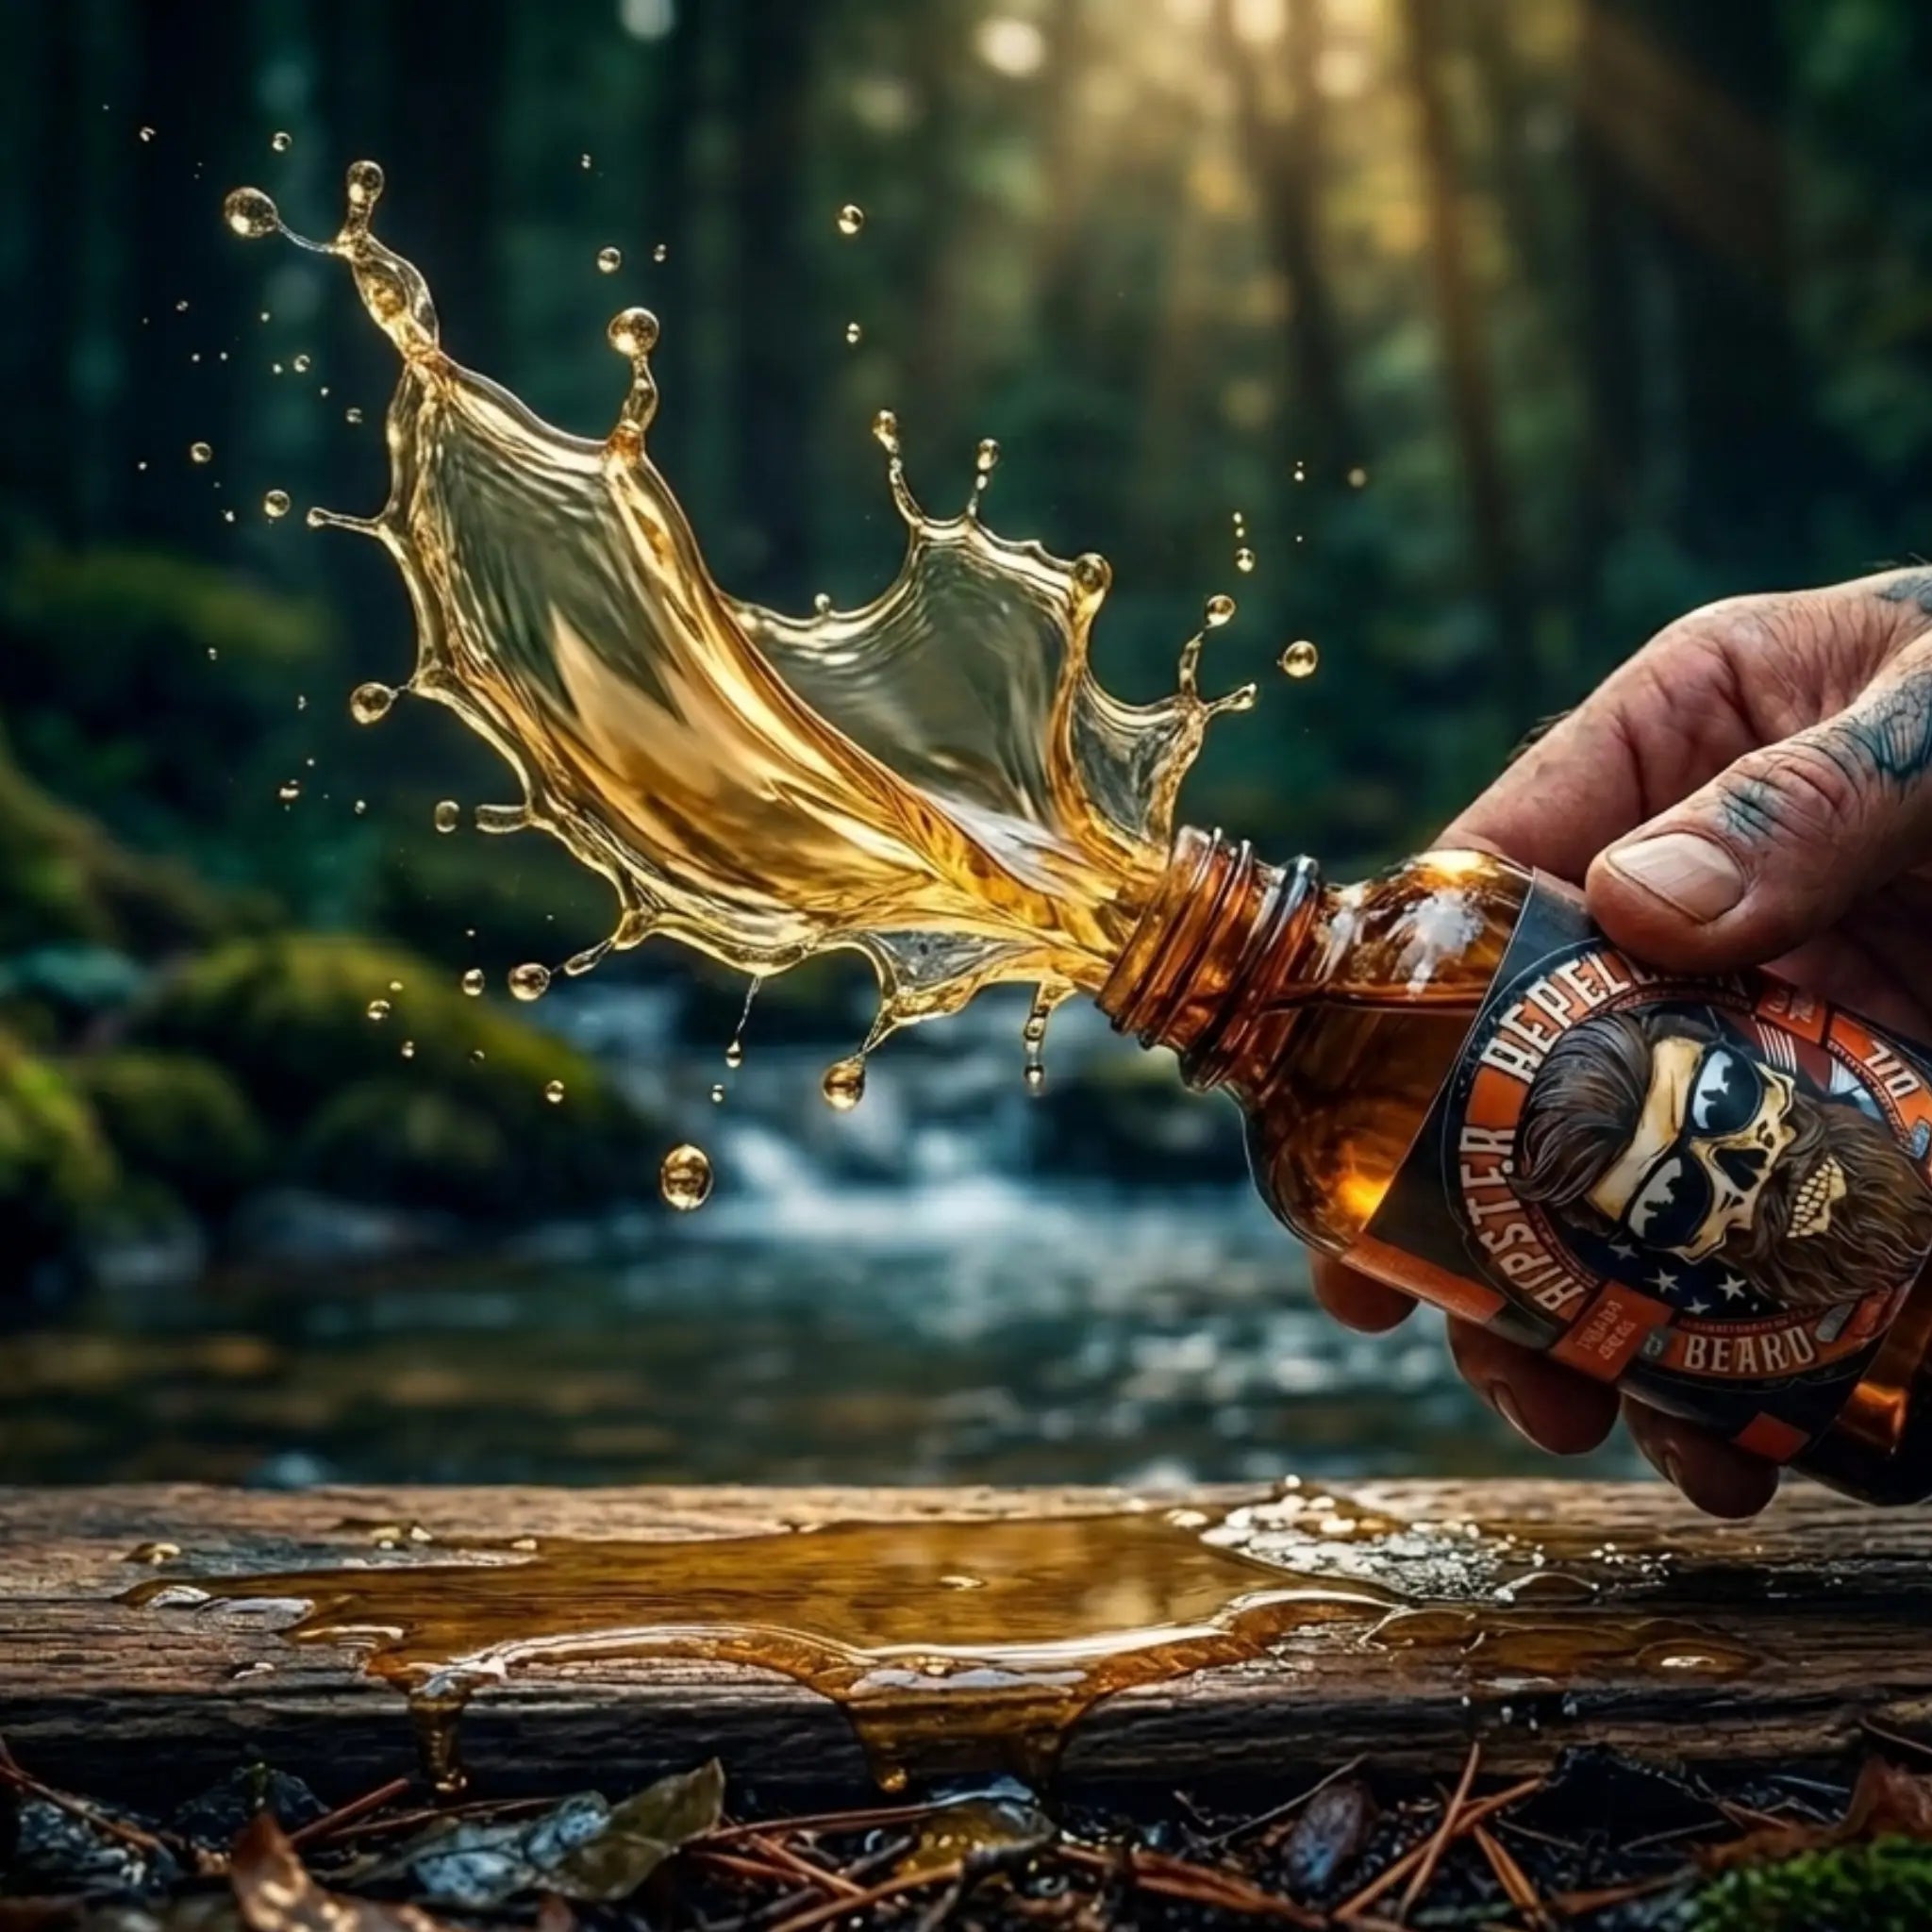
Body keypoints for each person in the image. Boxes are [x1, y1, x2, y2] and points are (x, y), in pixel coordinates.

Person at [1313, 568, 1932, 1517]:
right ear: (1665, 1256)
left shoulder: (1441, 918)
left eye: (1719, 1107)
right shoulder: (1314, 1162)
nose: (1746, 1174)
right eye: (1675, 1193)